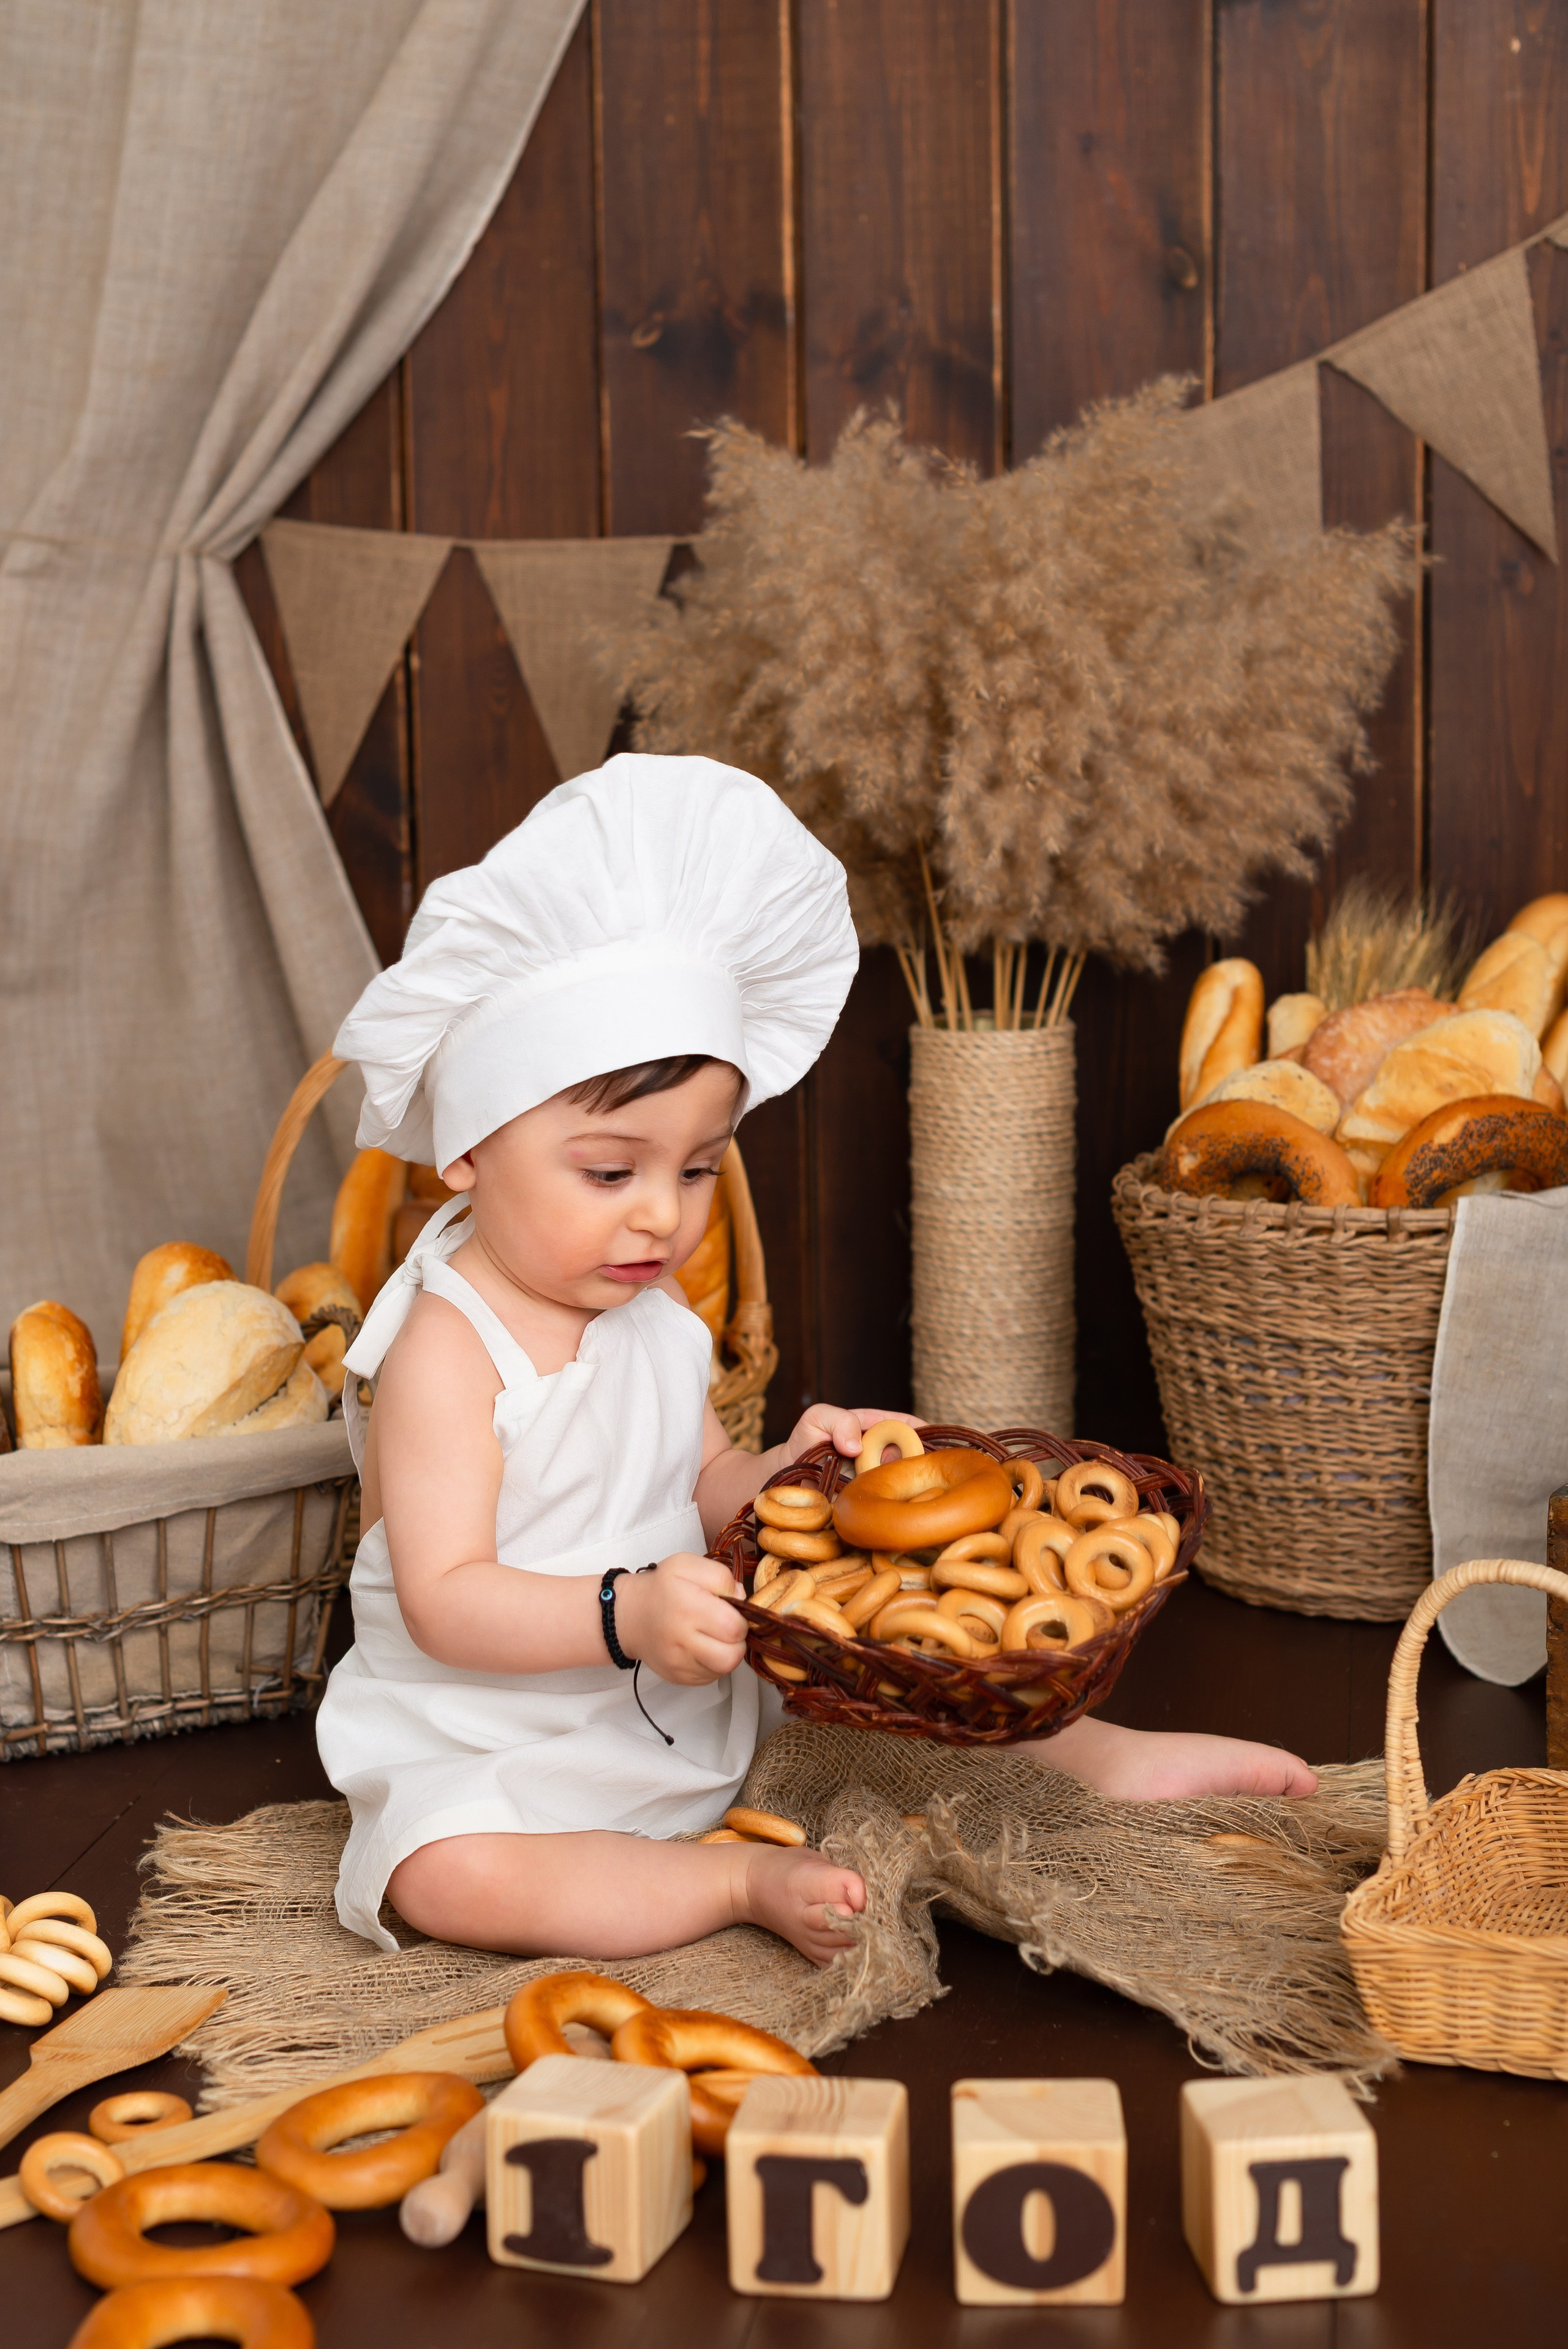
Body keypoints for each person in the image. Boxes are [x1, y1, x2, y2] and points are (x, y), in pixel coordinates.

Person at [317, 754, 1315, 1972]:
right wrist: (626, 1613)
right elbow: (444, 1597)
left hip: (669, 1682)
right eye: (608, 1170)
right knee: (448, 1875)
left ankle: (1102, 1756)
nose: (659, 1218)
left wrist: (793, 1481)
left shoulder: (651, 1316)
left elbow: (700, 1483)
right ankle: (728, 1877)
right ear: (467, 1149)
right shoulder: (446, 1351)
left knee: (925, 1634)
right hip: (491, 1727)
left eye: (694, 1170)